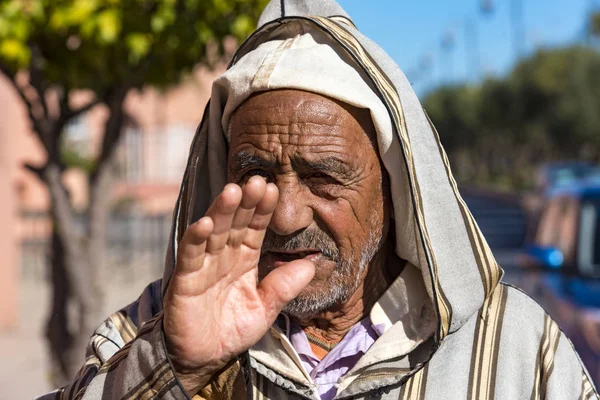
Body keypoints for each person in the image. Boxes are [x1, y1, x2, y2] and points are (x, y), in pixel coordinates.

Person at [40, 1, 598, 399]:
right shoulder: (153, 328)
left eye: (325, 177)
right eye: (254, 173)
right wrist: (175, 365)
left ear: (393, 188)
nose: (284, 216)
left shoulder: (518, 350)